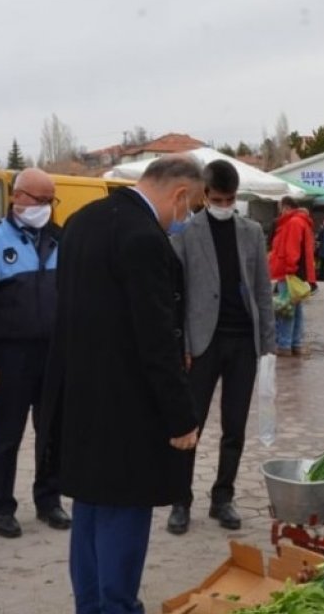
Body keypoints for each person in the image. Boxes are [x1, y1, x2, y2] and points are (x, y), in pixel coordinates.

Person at [52, 154, 203, 614]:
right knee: (124, 512)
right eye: (191, 206)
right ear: (179, 195)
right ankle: (116, 605)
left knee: (90, 508)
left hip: (80, 392)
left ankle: (92, 604)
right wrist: (180, 416)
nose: (187, 217)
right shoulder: (143, 238)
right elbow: (156, 338)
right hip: (127, 404)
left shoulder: (81, 221)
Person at [168, 160, 276, 535]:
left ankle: (222, 497)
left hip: (243, 341)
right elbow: (176, 294)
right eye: (218, 198)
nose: (225, 204)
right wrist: (179, 341)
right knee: (189, 422)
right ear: (205, 195)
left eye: (230, 199)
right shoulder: (185, 233)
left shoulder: (252, 232)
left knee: (235, 424)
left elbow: (263, 287)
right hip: (201, 341)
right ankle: (180, 499)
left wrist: (269, 342)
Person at [0, 168, 71, 539]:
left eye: (49, 202)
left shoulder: (62, 240)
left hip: (54, 354)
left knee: (53, 431)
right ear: (17, 197)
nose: (43, 208)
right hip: (10, 356)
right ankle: (1, 505)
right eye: (38, 200)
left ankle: (49, 499)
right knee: (5, 433)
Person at [269, 197, 317, 357]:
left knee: (286, 309)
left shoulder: (293, 222)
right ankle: (295, 343)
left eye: (280, 208)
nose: (279, 212)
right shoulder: (300, 221)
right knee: (295, 310)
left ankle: (284, 344)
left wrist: (289, 269)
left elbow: (291, 249)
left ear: (286, 207)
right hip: (295, 273)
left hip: (289, 273)